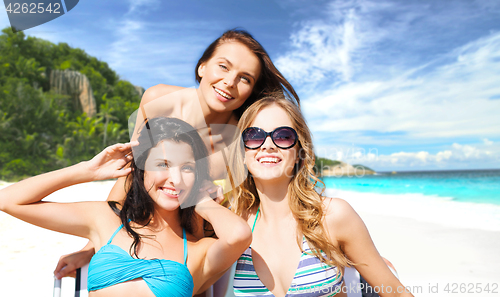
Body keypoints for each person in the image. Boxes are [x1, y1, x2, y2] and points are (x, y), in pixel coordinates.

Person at [54, 28, 300, 280]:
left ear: (251, 89)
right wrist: (91, 248)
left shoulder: (245, 137)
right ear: (202, 67)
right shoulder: (160, 101)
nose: (230, 82)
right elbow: (131, 177)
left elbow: (256, 196)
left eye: (245, 78)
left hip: (198, 248)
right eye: (223, 67)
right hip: (143, 231)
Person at [0, 117, 252, 296]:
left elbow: (239, 235)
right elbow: (9, 200)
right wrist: (87, 170)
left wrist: (202, 201)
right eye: (162, 164)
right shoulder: (106, 220)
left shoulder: (198, 250)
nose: (175, 179)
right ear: (141, 171)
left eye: (187, 168)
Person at [228, 93, 414, 297]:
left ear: (300, 150)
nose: (268, 144)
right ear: (242, 153)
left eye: (283, 136)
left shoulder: (331, 216)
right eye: (254, 136)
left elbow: (396, 293)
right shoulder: (233, 225)